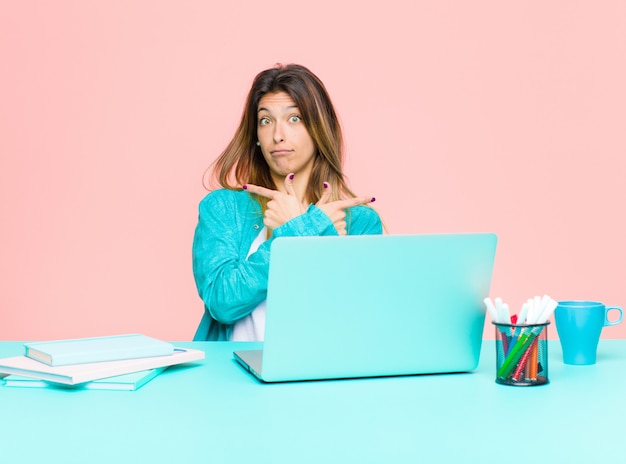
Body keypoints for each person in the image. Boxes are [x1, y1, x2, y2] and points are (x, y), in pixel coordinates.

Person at [192, 63, 383, 341]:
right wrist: (296, 231)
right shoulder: (223, 208)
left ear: (319, 130)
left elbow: (353, 321)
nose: (277, 135)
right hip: (232, 379)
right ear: (256, 135)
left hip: (321, 378)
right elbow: (222, 301)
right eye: (266, 121)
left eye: (294, 118)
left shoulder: (360, 222)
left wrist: (312, 230)